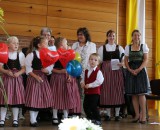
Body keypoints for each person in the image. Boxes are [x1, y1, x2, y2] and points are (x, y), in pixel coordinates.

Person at [50, 37, 81, 125]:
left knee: (66, 96)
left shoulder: (69, 54)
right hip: (57, 78)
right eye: (66, 43)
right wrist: (60, 71)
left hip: (67, 78)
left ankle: (66, 116)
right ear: (61, 45)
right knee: (56, 96)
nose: (67, 45)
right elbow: (50, 68)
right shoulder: (54, 54)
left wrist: (70, 75)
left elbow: (72, 67)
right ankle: (55, 116)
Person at [25, 36, 53, 127]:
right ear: (39, 45)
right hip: (34, 78)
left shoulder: (47, 55)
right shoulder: (31, 55)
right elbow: (28, 69)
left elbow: (50, 67)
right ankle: (32, 119)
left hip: (43, 78)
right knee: (34, 98)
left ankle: (34, 119)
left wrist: (47, 70)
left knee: (39, 99)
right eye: (45, 43)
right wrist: (36, 77)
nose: (47, 45)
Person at [98, 30, 125, 121]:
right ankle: (108, 115)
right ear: (107, 37)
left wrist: (121, 63)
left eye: (113, 36)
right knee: (107, 90)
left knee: (117, 90)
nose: (112, 37)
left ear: (115, 37)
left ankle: (117, 114)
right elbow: (100, 60)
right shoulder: (102, 48)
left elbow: (124, 59)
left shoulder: (119, 48)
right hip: (106, 72)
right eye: (110, 36)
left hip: (117, 71)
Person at [124, 29, 149, 124]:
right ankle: (137, 115)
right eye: (135, 35)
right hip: (131, 70)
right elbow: (126, 60)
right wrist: (130, 70)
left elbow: (146, 60)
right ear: (132, 36)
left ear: (140, 36)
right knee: (133, 94)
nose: (136, 37)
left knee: (141, 93)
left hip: (141, 70)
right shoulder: (128, 47)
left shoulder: (143, 46)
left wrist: (138, 69)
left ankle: (143, 116)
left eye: (138, 35)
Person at [0, 36, 25, 127]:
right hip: (7, 78)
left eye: (17, 43)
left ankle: (15, 119)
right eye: (14, 43)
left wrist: (18, 73)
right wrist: (6, 71)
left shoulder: (21, 55)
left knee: (16, 99)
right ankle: (2, 119)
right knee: (4, 99)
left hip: (16, 79)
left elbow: (24, 68)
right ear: (8, 45)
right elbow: (0, 67)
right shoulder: (4, 54)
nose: (16, 45)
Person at [81, 53, 104, 126]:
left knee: (93, 106)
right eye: (91, 59)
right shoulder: (86, 71)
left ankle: (98, 119)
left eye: (95, 60)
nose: (92, 61)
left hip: (95, 93)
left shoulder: (98, 72)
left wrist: (90, 85)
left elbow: (100, 81)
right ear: (88, 61)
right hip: (87, 92)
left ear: (98, 62)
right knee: (85, 106)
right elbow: (83, 79)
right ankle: (91, 118)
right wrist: (82, 83)